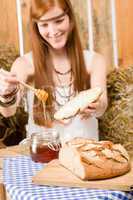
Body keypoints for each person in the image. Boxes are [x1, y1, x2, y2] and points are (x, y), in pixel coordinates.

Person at [0, 0, 108, 144]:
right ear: (36, 26)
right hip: (43, 155)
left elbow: (102, 108)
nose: (53, 31)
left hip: (84, 153)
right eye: (44, 24)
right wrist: (6, 94)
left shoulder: (94, 61)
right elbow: (8, 112)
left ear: (70, 18)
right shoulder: (24, 64)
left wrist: (96, 106)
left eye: (58, 21)